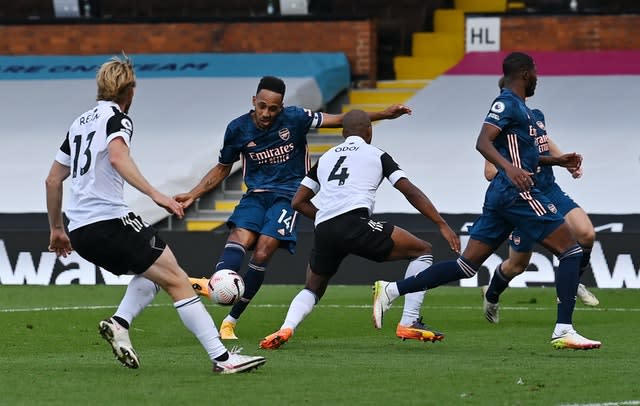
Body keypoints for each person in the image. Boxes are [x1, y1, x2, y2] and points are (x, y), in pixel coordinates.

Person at [45, 54, 266, 374]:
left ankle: (119, 324)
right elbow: (119, 158)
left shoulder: (78, 124)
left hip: (80, 229)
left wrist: (56, 229)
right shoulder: (118, 119)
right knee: (176, 279)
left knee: (156, 274)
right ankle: (223, 359)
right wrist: (157, 195)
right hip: (109, 221)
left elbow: (53, 179)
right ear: (129, 91)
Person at [371, 52, 601, 350]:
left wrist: (556, 160)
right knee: (570, 251)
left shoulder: (523, 109)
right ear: (525, 74)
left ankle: (391, 290)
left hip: (503, 197)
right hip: (516, 192)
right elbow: (482, 141)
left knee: (466, 266)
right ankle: (563, 330)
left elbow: (525, 155)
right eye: (535, 73)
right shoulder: (506, 102)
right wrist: (509, 169)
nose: (538, 79)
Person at [180, 76, 413, 340]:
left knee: (265, 249)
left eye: (273, 108)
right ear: (253, 102)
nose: (267, 113)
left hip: (288, 196)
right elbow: (223, 167)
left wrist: (383, 113)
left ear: (281, 107)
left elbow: (342, 120)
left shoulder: (296, 118)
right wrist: (193, 194)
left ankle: (230, 321)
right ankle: (216, 283)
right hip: (255, 195)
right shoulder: (237, 129)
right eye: (262, 106)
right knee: (239, 239)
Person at [257, 109, 460, 349]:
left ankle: (286, 328)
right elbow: (409, 190)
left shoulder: (326, 157)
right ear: (369, 131)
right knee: (422, 250)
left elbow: (298, 201)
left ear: (343, 133)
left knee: (313, 287)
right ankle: (409, 320)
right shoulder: (377, 154)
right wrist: (441, 223)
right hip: (355, 223)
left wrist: (324, 216)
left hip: (324, 229)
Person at [482, 106, 599, 324]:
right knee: (516, 266)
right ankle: (491, 295)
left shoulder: (535, 116)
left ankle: (572, 284)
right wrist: (515, 166)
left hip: (549, 190)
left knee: (586, 234)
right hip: (523, 199)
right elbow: (489, 173)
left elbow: (545, 141)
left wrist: (565, 162)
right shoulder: (497, 131)